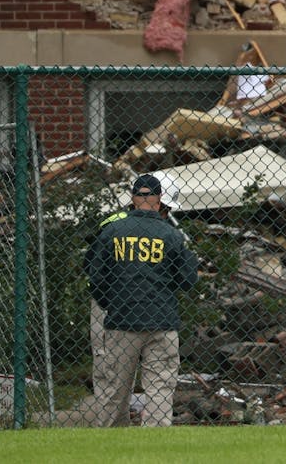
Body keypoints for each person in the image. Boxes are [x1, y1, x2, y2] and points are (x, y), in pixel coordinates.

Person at [86, 173, 199, 427]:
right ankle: (155, 445)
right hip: (162, 320)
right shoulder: (171, 235)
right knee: (160, 388)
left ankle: (111, 443)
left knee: (115, 389)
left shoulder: (112, 229)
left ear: (132, 198)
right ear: (160, 201)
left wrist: (110, 303)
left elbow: (95, 276)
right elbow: (188, 280)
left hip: (122, 320)